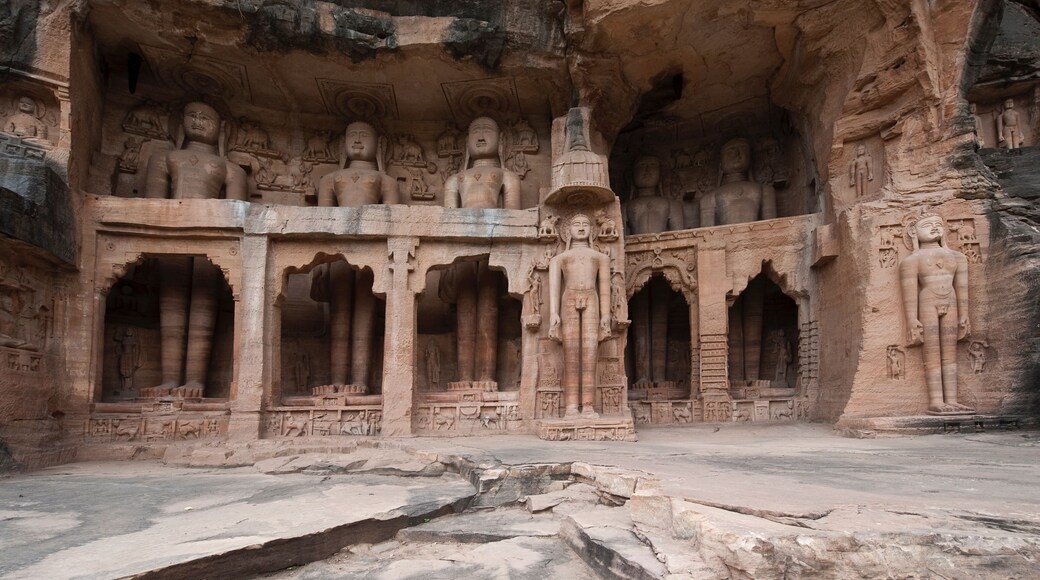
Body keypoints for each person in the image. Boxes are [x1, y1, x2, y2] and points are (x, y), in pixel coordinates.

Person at [143, 101, 248, 397]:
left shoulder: (231, 169)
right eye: (193, 115)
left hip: (213, 237)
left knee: (204, 305)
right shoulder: (165, 158)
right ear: (179, 123)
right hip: (170, 232)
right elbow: (152, 206)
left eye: (206, 118)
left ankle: (195, 381)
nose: (199, 121)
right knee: (171, 302)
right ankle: (168, 378)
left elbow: (237, 214)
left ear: (222, 130)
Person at [315, 121, 398, 393]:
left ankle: (360, 384)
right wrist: (320, 263)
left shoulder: (385, 181)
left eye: (365, 135)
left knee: (364, 319)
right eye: (352, 135)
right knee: (339, 319)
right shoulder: (330, 180)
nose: (358, 140)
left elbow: (395, 223)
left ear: (379, 145)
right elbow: (321, 224)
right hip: (337, 256)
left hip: (370, 258)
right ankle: (337, 382)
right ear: (343, 144)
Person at [442, 117, 521, 387]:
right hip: (462, 248)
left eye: (488, 129)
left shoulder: (506, 176)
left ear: (502, 140)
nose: (481, 135)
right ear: (466, 141)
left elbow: (512, 218)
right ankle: (464, 378)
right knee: (464, 311)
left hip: (493, 246)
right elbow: (447, 221)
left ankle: (487, 377)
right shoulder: (456, 179)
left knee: (488, 310)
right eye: (474, 130)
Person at [899, 213, 973, 414]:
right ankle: (936, 401)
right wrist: (912, 319)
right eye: (927, 225)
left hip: (951, 300)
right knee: (932, 352)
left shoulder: (958, 258)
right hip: (927, 301)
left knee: (950, 353)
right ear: (914, 232)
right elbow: (909, 294)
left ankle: (953, 400)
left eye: (938, 224)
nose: (934, 228)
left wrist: (964, 315)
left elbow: (963, 288)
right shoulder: (912, 261)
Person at [623, 155, 683, 385]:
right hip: (635, 266)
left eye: (652, 166)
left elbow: (679, 237)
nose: (647, 170)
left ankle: (659, 376)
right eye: (642, 166)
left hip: (667, 265)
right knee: (637, 322)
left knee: (660, 321)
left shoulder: (671, 205)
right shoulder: (626, 206)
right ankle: (641, 377)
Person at [548, 214, 612, 418]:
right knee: (571, 352)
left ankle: (589, 405)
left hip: (591, 298)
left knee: (591, 351)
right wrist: (553, 314)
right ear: (567, 231)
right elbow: (555, 288)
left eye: (586, 224)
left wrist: (605, 315)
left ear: (592, 230)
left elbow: (605, 288)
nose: (582, 228)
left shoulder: (600, 258)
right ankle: (571, 407)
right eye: (576, 224)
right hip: (569, 298)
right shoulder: (559, 259)